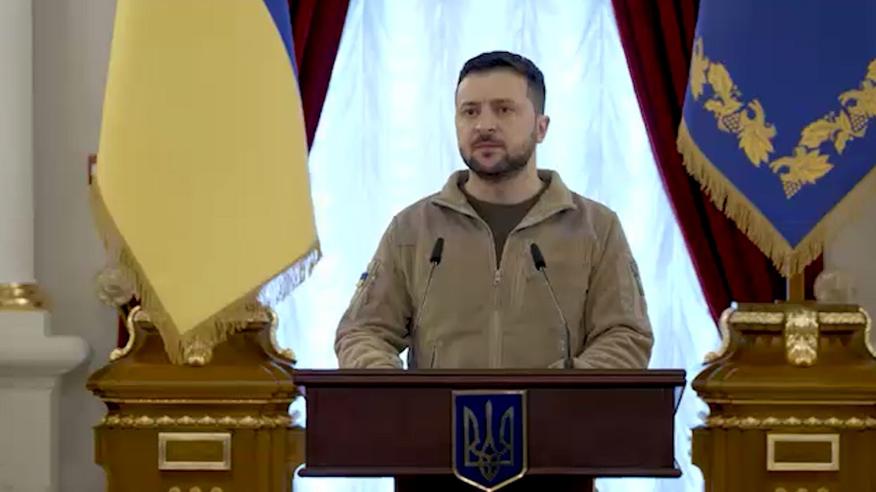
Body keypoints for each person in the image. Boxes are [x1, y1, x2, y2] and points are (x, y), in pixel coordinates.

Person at [335, 50, 652, 370]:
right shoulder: (412, 229)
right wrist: (392, 387)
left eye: (504, 110)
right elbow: (363, 332)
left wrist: (559, 388)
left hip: (559, 404)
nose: (484, 126)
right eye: (470, 112)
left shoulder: (596, 228)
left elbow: (625, 336)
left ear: (541, 127)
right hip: (437, 406)